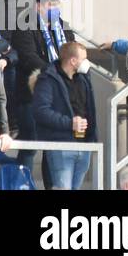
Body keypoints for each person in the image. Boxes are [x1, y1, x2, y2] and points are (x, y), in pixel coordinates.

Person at [31, 41, 96, 190]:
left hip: (83, 144)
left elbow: (89, 110)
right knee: (62, 187)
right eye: (83, 58)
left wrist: (92, 137)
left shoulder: (83, 79)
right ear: (73, 61)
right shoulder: (48, 78)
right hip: (60, 144)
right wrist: (69, 123)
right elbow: (40, 111)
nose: (86, 62)